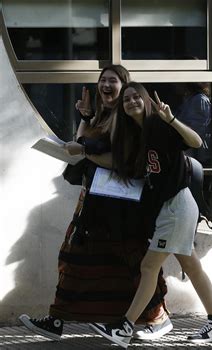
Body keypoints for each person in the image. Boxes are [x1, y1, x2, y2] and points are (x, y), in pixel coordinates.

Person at [19, 65, 172, 342]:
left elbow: (121, 160)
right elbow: (80, 144)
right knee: (75, 258)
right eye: (102, 80)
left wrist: (86, 152)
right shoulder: (100, 115)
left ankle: (158, 317)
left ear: (125, 86)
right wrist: (85, 117)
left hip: (121, 207)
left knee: (131, 262)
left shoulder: (128, 118)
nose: (106, 86)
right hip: (94, 200)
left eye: (113, 81)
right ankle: (56, 319)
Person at [89, 82, 212, 348]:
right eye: (126, 99)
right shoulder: (136, 134)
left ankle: (124, 326)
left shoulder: (159, 125)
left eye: (135, 97)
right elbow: (121, 164)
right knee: (192, 267)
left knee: (149, 266)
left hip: (177, 205)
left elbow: (196, 141)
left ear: (145, 99)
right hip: (171, 207)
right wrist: (85, 151)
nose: (131, 101)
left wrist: (172, 119)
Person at [175, 82, 212, 167]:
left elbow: (197, 129)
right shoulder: (187, 100)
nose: (174, 85)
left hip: (201, 156)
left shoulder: (199, 100)